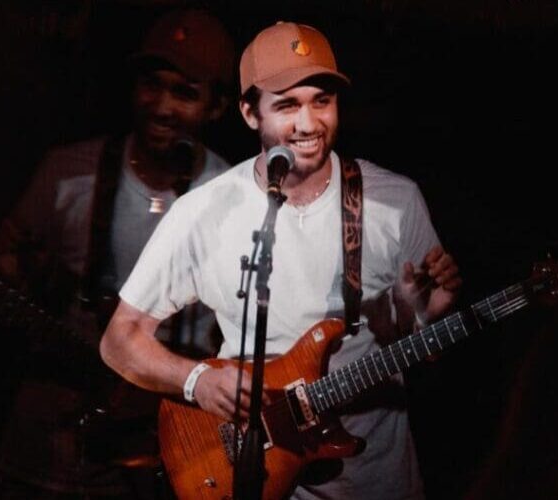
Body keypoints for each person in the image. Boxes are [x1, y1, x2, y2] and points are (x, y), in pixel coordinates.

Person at [100, 21, 461, 499]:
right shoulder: (204, 212)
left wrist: (428, 318)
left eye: (322, 101)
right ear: (250, 113)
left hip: (376, 481)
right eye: (288, 105)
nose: (309, 123)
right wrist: (196, 381)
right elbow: (118, 340)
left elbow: (429, 352)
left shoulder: (395, 202)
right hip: (253, 479)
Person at [0, 8, 235, 499]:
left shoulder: (234, 198)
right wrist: (39, 288)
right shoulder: (66, 173)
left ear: (217, 107)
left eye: (184, 92)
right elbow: (4, 253)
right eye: (151, 84)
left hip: (169, 455)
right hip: (50, 447)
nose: (161, 106)